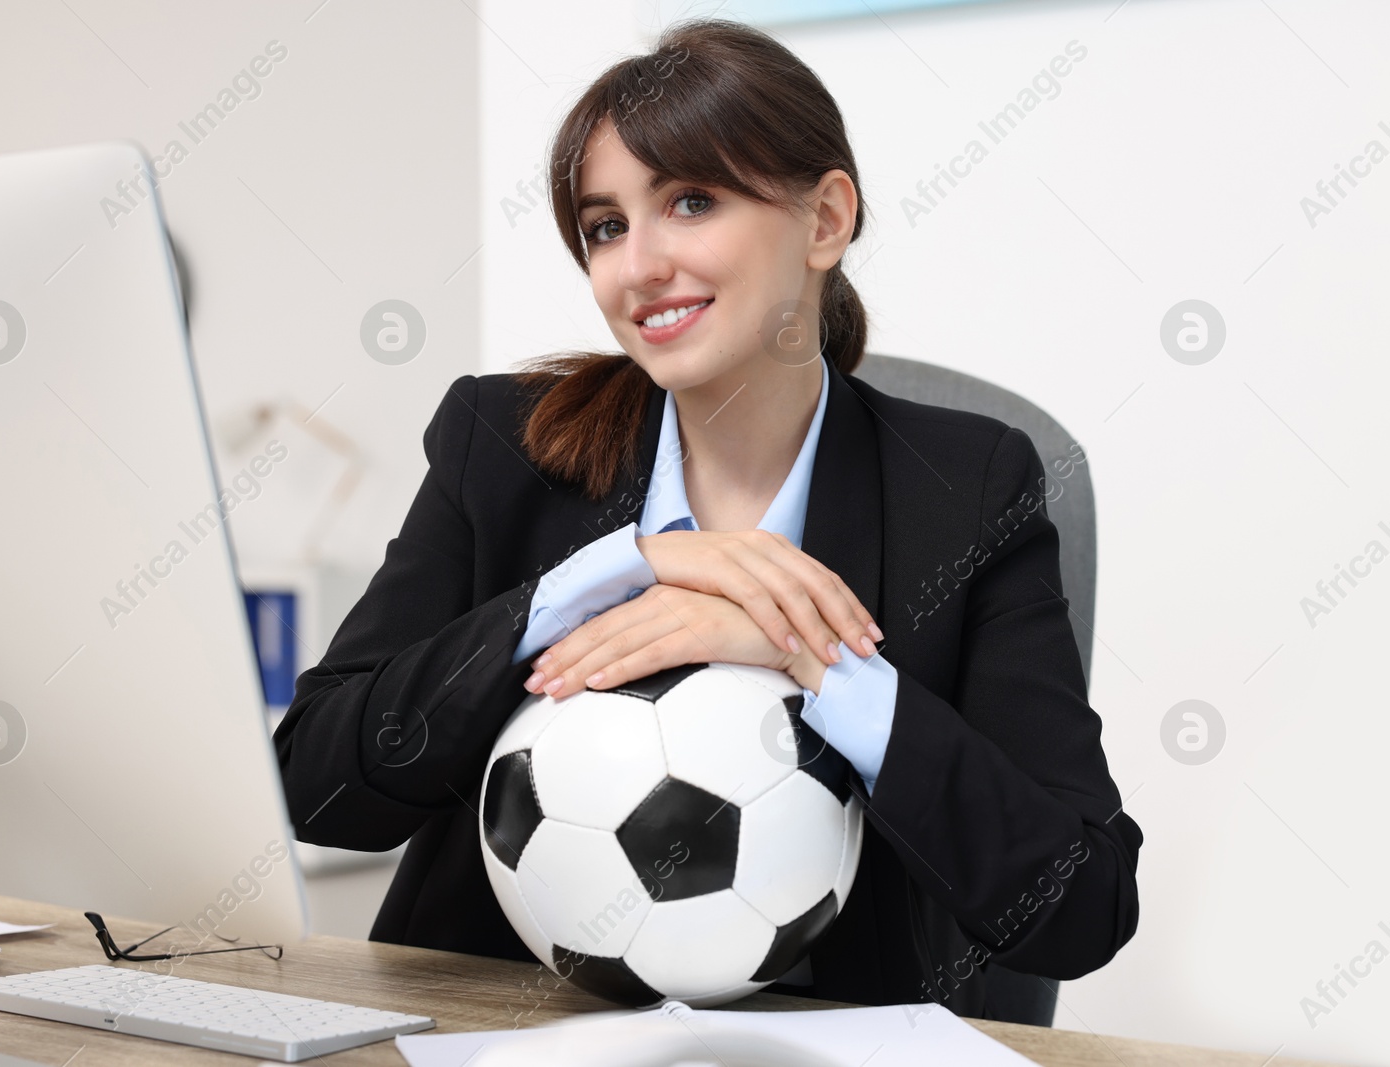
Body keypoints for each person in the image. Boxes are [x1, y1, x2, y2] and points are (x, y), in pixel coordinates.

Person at [273, 18, 1140, 1020]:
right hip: (507, 1027)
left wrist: (814, 657)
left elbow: (1083, 902)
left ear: (824, 220)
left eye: (690, 200)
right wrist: (600, 581)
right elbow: (317, 784)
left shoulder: (967, 486)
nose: (637, 266)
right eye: (604, 226)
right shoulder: (504, 447)